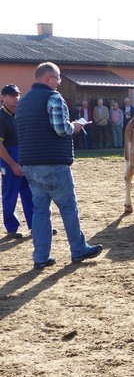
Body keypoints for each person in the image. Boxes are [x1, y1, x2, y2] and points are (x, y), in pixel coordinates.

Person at [15, 62, 103, 269]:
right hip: (53, 163)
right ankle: (78, 249)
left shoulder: (23, 101)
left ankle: (41, 256)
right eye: (58, 78)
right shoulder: (53, 97)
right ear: (48, 79)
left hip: (30, 163)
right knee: (68, 208)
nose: (59, 82)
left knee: (40, 211)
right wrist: (77, 126)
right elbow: (61, 129)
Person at [0, 84, 34, 239]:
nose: (16, 98)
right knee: (10, 194)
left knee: (30, 193)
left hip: (24, 156)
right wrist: (13, 164)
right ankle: (12, 228)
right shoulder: (1, 117)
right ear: (3, 97)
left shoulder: (20, 113)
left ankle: (35, 225)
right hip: (8, 158)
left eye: (17, 95)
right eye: (12, 95)